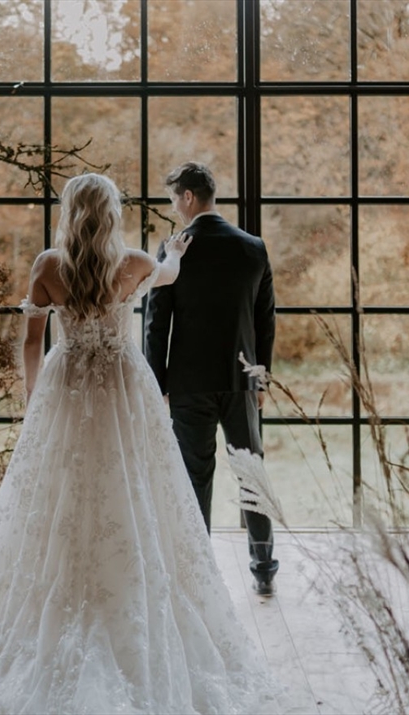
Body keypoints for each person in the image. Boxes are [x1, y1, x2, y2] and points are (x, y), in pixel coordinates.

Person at [0, 173, 278, 713]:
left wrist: (34, 400)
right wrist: (174, 251)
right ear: (113, 212)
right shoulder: (135, 262)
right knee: (136, 484)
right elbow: (168, 274)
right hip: (124, 385)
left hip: (67, 385)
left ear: (70, 211)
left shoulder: (49, 265)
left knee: (59, 492)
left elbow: (30, 340)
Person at [145, 161, 279, 596]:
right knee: (251, 472)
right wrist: (261, 378)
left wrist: (157, 381)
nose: (174, 209)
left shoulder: (174, 249)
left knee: (194, 475)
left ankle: (198, 571)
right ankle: (263, 568)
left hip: (189, 383)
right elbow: (265, 320)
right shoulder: (252, 247)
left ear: (187, 197)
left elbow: (155, 321)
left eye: (173, 199)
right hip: (242, 381)